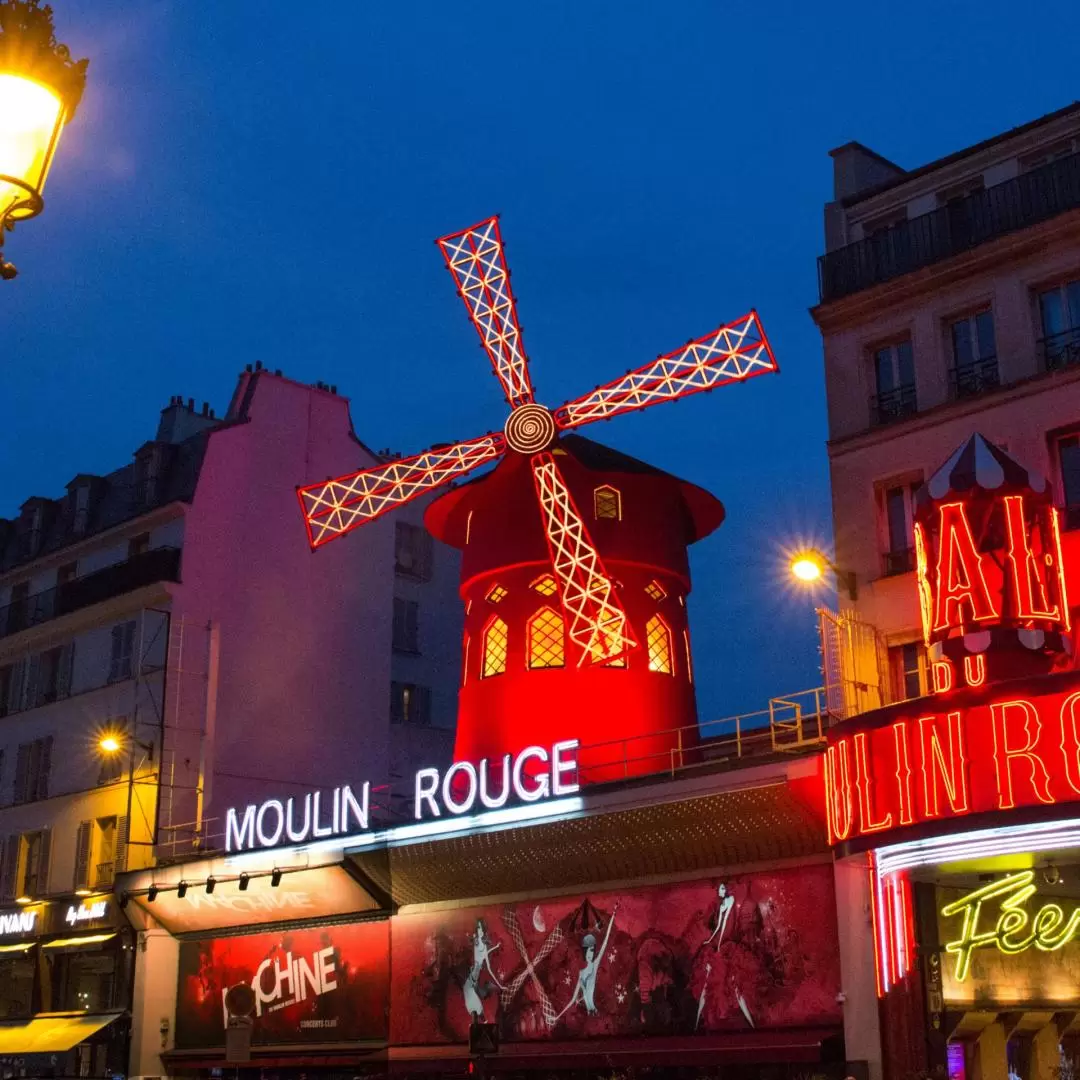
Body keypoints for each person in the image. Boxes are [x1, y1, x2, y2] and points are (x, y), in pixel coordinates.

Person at [551, 903, 619, 1023]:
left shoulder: (595, 964)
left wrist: (613, 914)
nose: (590, 953)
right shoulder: (581, 973)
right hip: (590, 1013)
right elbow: (573, 1000)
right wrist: (558, 1016)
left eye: (592, 950)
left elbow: (605, 941)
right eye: (587, 950)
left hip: (594, 1011)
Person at [463, 920, 503, 1021]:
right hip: (472, 976)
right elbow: (475, 943)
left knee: (471, 996)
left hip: (473, 978)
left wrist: (500, 985)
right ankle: (482, 1019)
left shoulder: (483, 947)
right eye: (478, 928)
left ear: (483, 930)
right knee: (471, 995)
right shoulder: (476, 941)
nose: (479, 930)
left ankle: (481, 1018)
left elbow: (489, 967)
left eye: (480, 928)